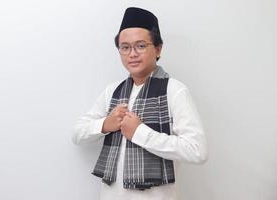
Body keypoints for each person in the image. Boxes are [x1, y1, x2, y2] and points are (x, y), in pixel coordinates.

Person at [72, 7, 207, 200]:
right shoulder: (112, 91)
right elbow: (77, 134)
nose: (132, 54)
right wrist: (105, 124)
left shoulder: (174, 91)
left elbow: (197, 150)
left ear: (158, 49)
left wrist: (140, 133)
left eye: (141, 46)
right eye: (125, 47)